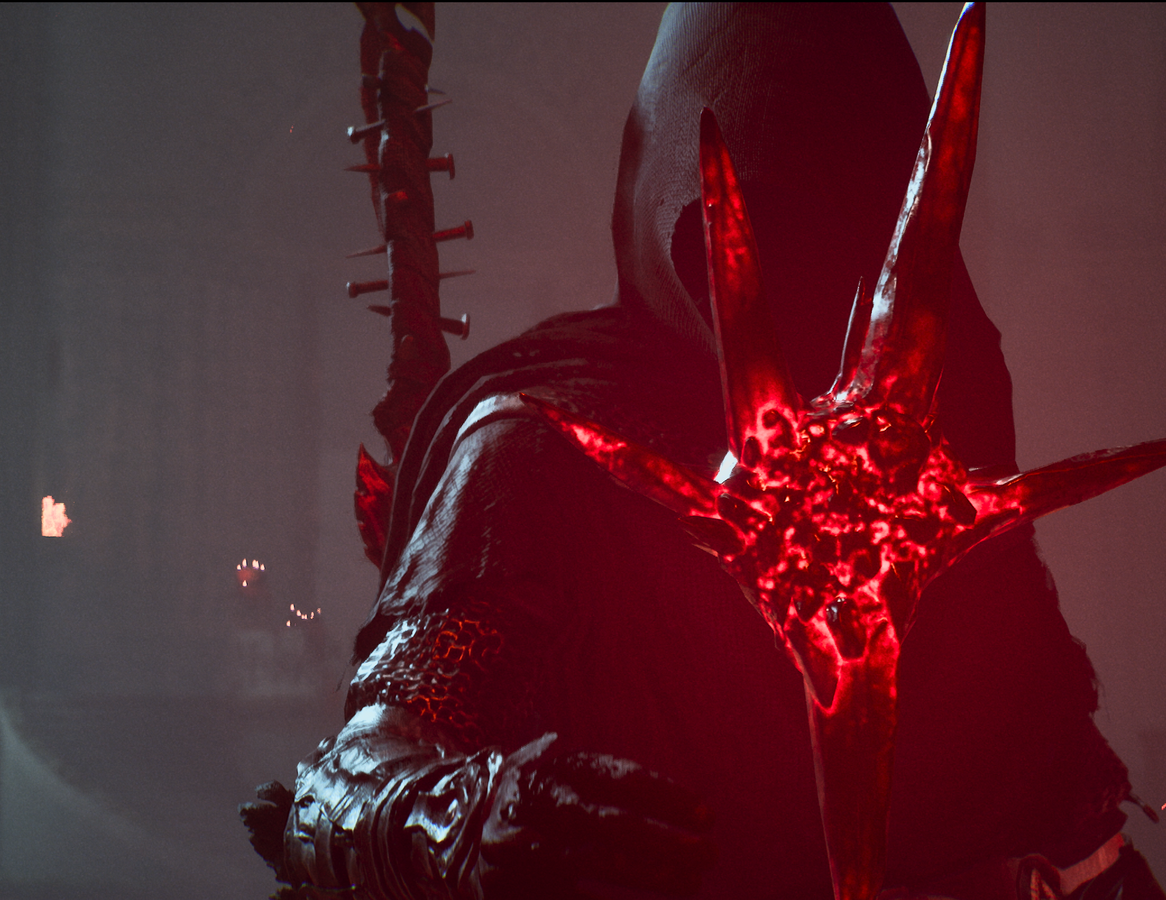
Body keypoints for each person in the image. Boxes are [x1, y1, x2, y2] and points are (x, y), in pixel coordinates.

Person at [242, 5, 1164, 898]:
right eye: (763, 217)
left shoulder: (930, 460)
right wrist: (460, 815)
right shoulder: (543, 453)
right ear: (676, 204)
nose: (794, 272)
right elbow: (350, 778)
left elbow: (1071, 822)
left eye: (834, 222)